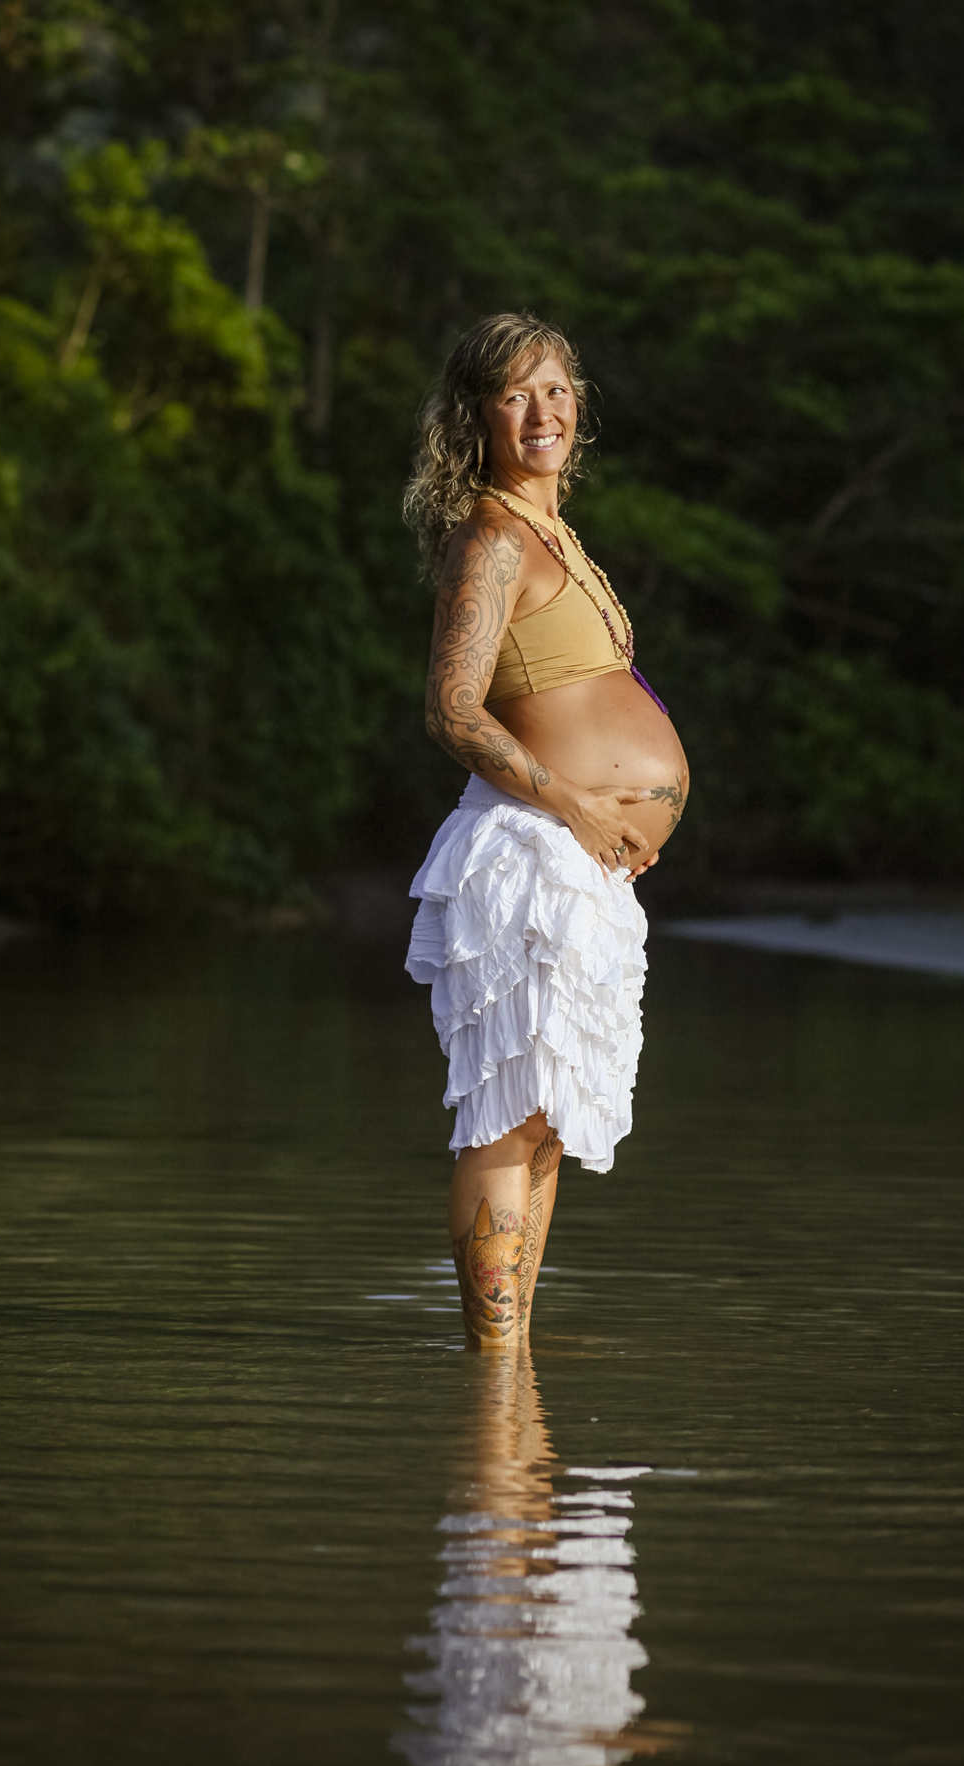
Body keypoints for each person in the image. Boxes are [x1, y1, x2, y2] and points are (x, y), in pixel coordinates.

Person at [403, 312, 689, 1348]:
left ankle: (512, 1365)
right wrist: (575, 805)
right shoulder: (488, 538)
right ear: (476, 416)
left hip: (581, 868)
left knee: (550, 1123)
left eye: (558, 390)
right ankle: (492, 1378)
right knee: (507, 1116)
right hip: (527, 851)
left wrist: (620, 821)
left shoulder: (556, 536)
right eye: (516, 393)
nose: (543, 411)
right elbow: (451, 710)